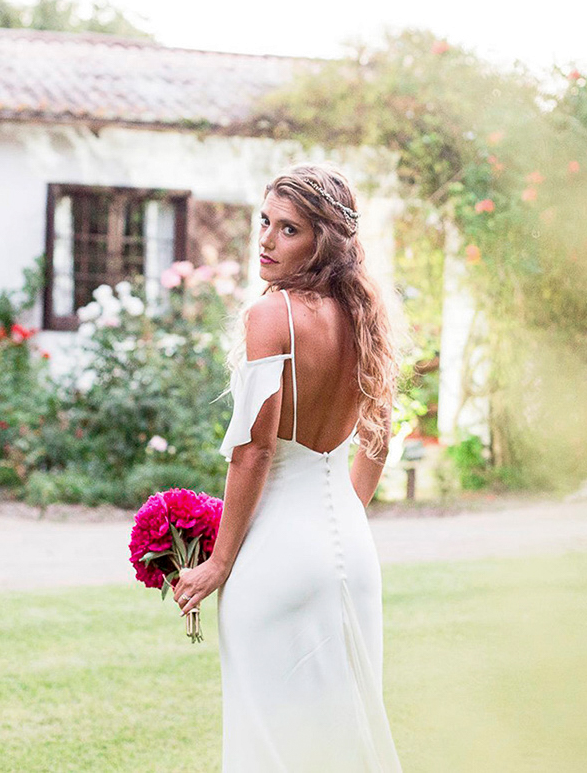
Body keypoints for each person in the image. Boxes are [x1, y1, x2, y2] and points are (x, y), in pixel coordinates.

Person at [171, 162, 403, 771]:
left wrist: (219, 562)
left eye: (289, 229)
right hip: (351, 550)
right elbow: (378, 437)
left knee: (269, 744)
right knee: (341, 740)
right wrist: (343, 513)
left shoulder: (270, 316)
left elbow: (256, 450)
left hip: (276, 557)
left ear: (323, 240)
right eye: (264, 222)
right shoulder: (365, 316)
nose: (267, 241)